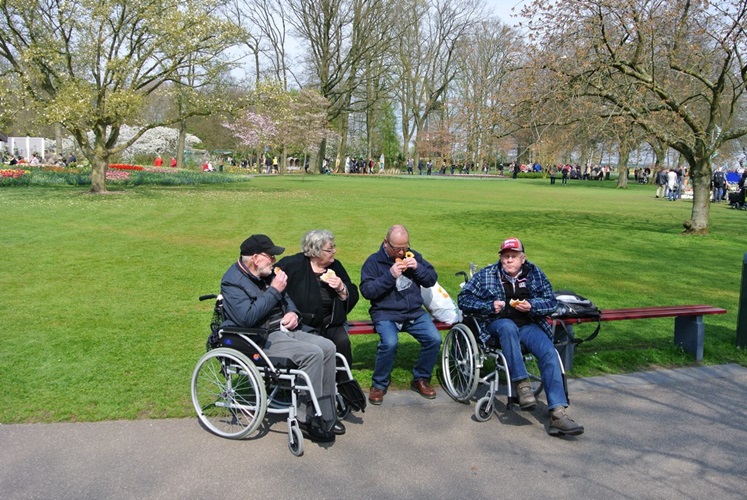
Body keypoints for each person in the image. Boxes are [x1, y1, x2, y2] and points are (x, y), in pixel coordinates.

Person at [219, 234, 343, 442]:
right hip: (261, 337)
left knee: (328, 347)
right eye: (271, 256)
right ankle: (306, 419)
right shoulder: (232, 282)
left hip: (285, 330)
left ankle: (326, 413)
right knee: (312, 354)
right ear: (256, 258)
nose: (275, 261)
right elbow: (246, 318)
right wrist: (274, 291)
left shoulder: (266, 274)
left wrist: (293, 313)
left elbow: (287, 300)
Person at [457, 237, 584, 436]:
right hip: (497, 324)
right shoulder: (487, 274)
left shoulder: (535, 274)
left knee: (549, 353)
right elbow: (463, 300)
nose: (508, 260)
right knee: (507, 327)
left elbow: (551, 303)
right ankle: (522, 385)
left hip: (528, 325)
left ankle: (558, 413)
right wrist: (489, 306)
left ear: (522, 259)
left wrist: (532, 306)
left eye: (513, 257)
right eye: (505, 256)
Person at [360, 224, 442, 405]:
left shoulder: (414, 256)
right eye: (397, 248)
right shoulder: (373, 262)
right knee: (390, 342)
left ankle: (420, 378)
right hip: (385, 313)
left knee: (434, 339)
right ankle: (379, 384)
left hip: (413, 312)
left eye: (405, 247)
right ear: (385, 243)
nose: (401, 252)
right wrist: (389, 275)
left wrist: (418, 268)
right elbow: (367, 291)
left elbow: (431, 280)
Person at [276, 229, 360, 381]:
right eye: (330, 249)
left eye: (334, 247)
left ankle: (344, 385)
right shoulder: (293, 264)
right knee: (314, 349)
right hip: (303, 324)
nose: (334, 251)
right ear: (315, 251)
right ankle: (312, 385)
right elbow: (272, 277)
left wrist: (341, 289)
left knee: (342, 342)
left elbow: (353, 292)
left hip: (331, 322)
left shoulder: (335, 267)